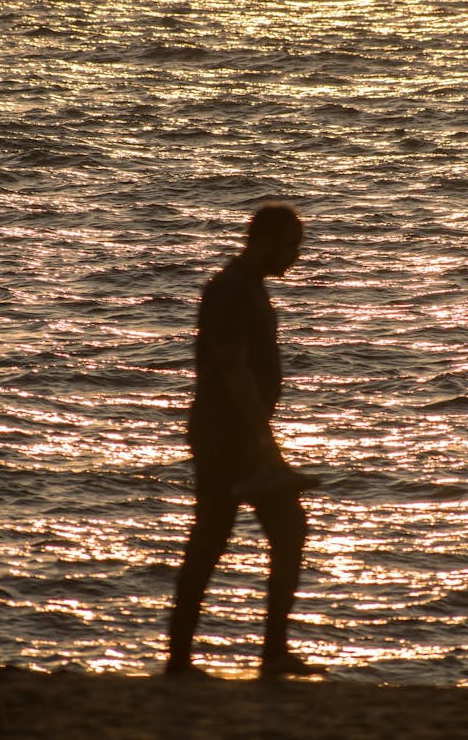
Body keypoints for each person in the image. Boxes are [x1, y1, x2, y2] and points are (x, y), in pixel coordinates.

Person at [167, 202, 323, 678]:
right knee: (215, 537)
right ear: (266, 240)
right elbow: (234, 370)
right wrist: (262, 442)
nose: (295, 256)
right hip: (225, 439)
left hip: (240, 436)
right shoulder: (232, 290)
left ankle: (264, 654)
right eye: (291, 246)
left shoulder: (248, 288)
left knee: (271, 531)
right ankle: (186, 659)